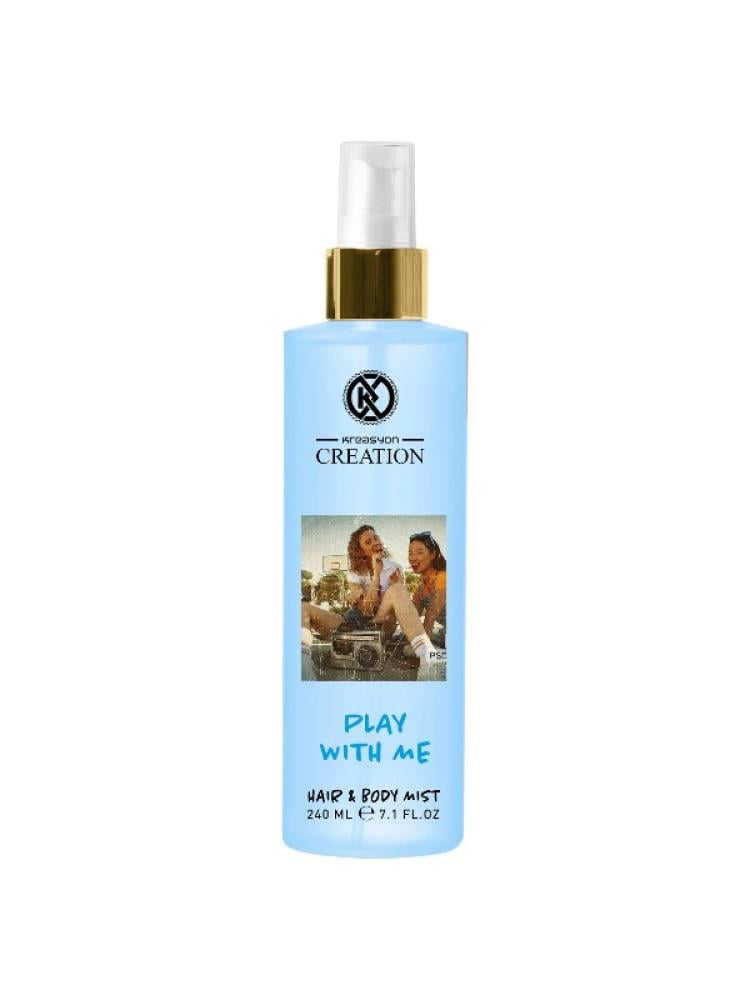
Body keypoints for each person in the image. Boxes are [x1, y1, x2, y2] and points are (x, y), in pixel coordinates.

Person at [302, 524, 436, 662]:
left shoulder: (394, 567)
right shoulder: (354, 573)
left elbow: (397, 608)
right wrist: (376, 576)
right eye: (368, 542)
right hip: (352, 624)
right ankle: (302, 660)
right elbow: (366, 610)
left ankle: (426, 654)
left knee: (397, 589)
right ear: (360, 551)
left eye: (376, 538)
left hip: (379, 626)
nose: (375, 543)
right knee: (303, 608)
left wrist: (388, 586)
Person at [408, 531, 447, 647]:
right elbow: (413, 616)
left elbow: (431, 615)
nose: (413, 558)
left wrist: (422, 646)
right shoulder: (421, 587)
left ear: (432, 554)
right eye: (410, 553)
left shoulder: (443, 576)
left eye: (419, 552)